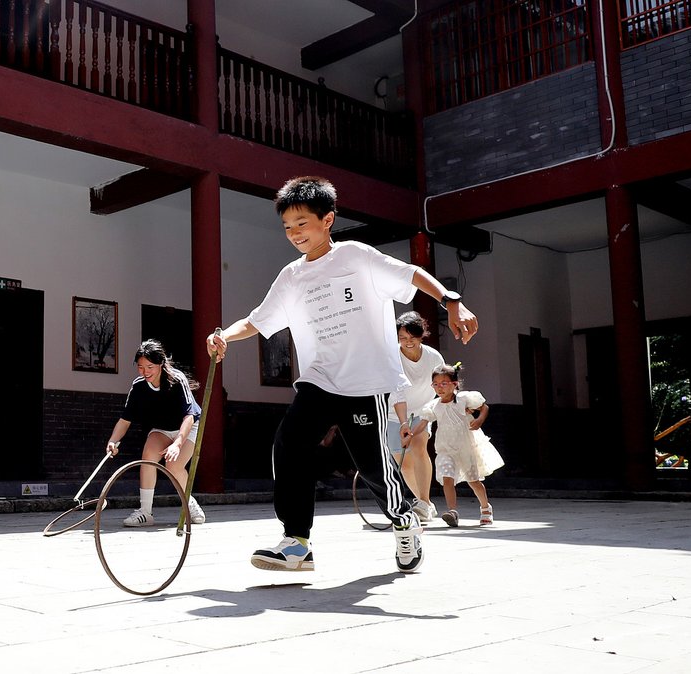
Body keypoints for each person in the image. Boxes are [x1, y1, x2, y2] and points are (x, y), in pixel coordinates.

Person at [206, 175, 479, 574]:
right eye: (287, 227)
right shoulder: (292, 276)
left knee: (371, 467)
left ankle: (404, 518)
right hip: (319, 380)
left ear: (327, 219)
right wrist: (224, 335)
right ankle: (296, 541)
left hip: (364, 384)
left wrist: (451, 301)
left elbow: (411, 275)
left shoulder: (355, 256)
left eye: (303, 223)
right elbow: (257, 320)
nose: (295, 233)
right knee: (289, 443)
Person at [106, 339, 207, 527]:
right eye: (141, 367)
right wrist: (113, 441)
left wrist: (177, 443)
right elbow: (125, 419)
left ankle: (189, 503)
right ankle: (145, 512)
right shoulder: (138, 386)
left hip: (188, 426)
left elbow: (189, 416)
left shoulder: (177, 380)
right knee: (148, 455)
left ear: (161, 363)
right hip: (161, 429)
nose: (145, 372)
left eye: (150, 367)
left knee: (173, 465)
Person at [408, 364, 504, 527]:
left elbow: (484, 407)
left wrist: (479, 419)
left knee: (473, 481)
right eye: (436, 384)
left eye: (444, 383)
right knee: (447, 478)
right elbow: (423, 423)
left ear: (455, 384)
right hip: (445, 449)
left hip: (465, 448)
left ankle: (485, 507)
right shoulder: (433, 406)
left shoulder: (464, 399)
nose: (439, 388)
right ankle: (452, 511)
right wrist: (409, 435)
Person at [387, 311, 446, 523]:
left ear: (422, 336)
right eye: (402, 338)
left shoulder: (433, 357)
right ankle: (426, 505)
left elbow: (442, 384)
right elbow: (397, 392)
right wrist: (403, 423)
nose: (407, 342)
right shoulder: (392, 356)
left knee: (419, 447)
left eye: (412, 338)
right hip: (394, 413)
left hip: (423, 409)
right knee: (401, 461)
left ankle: (423, 501)